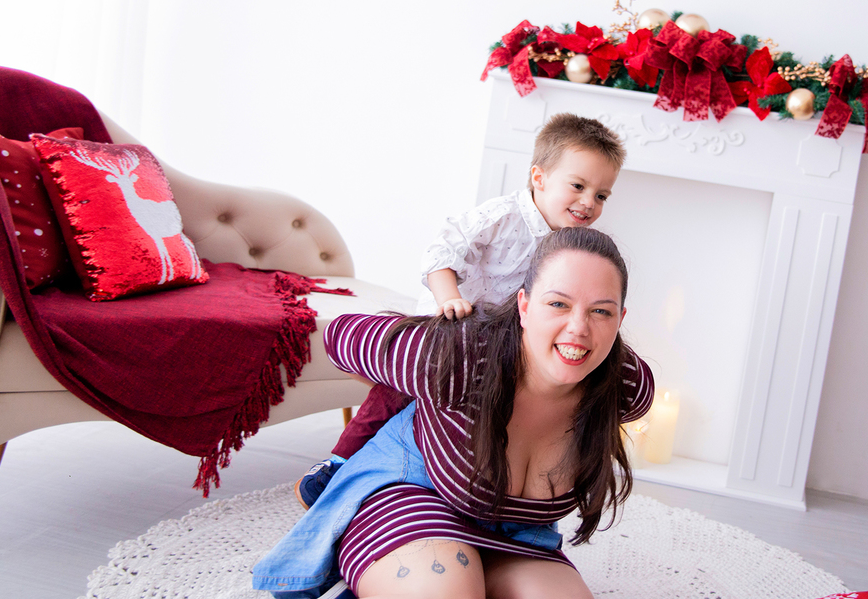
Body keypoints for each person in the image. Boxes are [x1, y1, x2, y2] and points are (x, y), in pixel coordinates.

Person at [252, 227, 654, 599]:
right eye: (558, 304)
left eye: (601, 311)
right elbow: (341, 336)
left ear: (620, 319)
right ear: (524, 306)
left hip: (515, 537)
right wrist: (407, 378)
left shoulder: (625, 387)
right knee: (448, 588)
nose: (578, 328)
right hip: (413, 500)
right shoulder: (460, 355)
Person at [295, 114, 627, 509]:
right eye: (578, 186)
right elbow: (441, 251)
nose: (589, 202)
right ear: (539, 178)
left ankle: (479, 485)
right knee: (399, 393)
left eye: (601, 195)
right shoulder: (502, 217)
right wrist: (449, 298)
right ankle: (338, 462)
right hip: (454, 323)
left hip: (500, 342)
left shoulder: (569, 245)